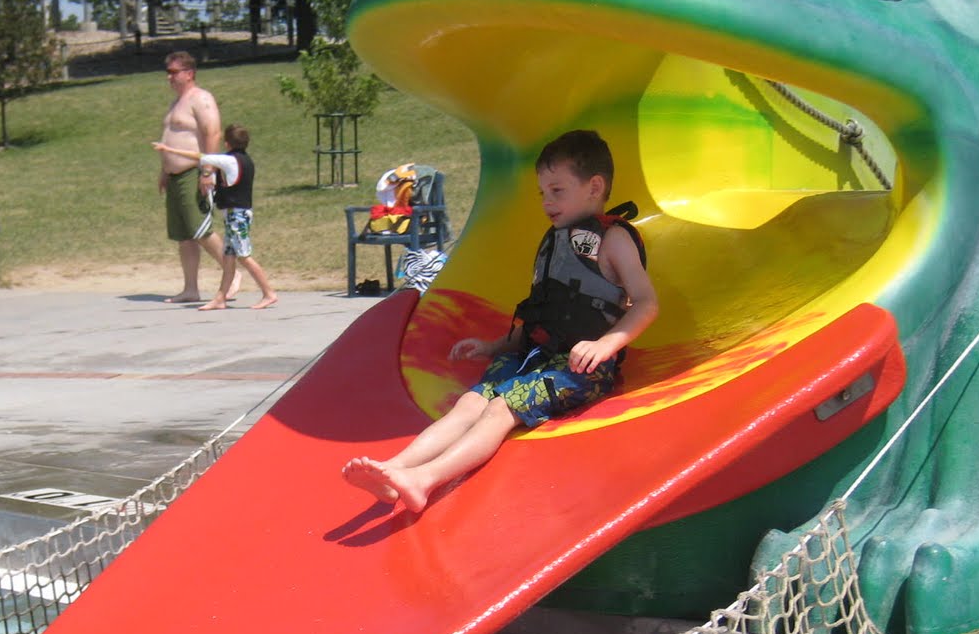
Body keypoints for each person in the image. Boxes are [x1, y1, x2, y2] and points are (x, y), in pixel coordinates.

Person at [342, 129, 657, 513]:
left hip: (580, 368)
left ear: (594, 187)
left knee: (499, 409)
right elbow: (546, 313)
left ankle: (424, 480)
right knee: (470, 403)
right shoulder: (556, 240)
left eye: (557, 190)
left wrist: (605, 345)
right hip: (535, 356)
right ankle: (396, 468)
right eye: (542, 193)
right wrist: (495, 346)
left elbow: (646, 302)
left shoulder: (613, 239)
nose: (546, 202)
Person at [150, 123, 277, 310]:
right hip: (236, 215)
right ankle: (220, 298)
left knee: (244, 257)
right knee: (229, 258)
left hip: (237, 217)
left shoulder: (230, 161)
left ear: (227, 143)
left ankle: (269, 293)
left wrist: (168, 149)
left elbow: (199, 156)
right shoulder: (247, 161)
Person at [154, 51, 232, 302]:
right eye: (167, 72)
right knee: (184, 235)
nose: (169, 77)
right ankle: (190, 289)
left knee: (201, 229)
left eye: (173, 72)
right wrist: (164, 171)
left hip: (194, 172)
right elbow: (171, 140)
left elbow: (213, 132)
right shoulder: (176, 103)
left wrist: (208, 170)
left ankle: (232, 274)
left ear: (189, 73)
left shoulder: (201, 98)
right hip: (175, 176)